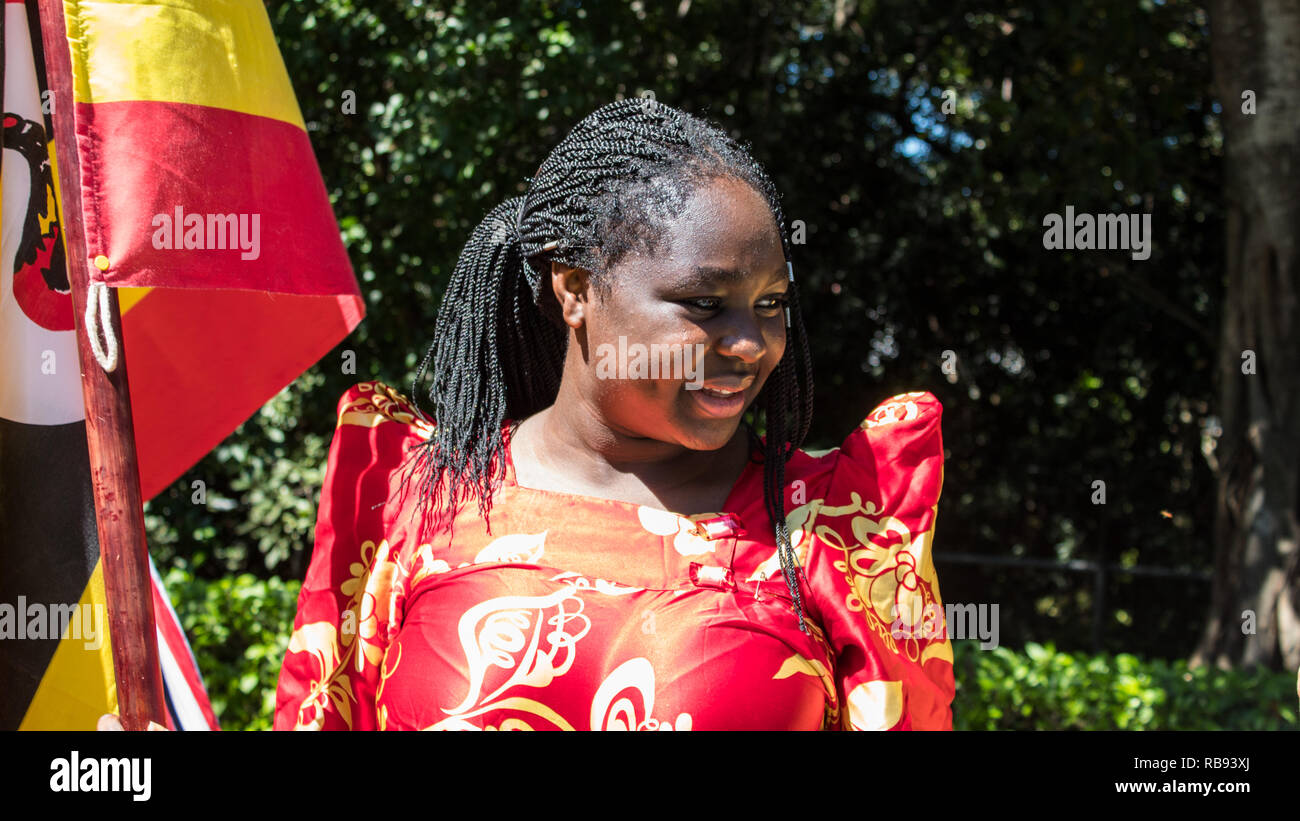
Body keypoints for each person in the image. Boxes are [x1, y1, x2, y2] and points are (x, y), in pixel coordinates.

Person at [273, 98, 955, 731]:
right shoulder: (415, 491)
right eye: (705, 303)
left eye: (771, 303)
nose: (750, 343)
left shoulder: (833, 524)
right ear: (575, 289)